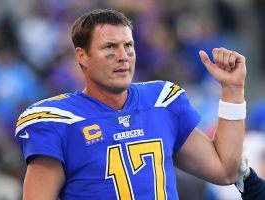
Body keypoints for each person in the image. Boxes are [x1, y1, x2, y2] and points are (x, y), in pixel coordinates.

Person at [15, 9, 247, 199]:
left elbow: (225, 170)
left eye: (128, 46)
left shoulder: (161, 101)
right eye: (109, 47)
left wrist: (232, 90)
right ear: (82, 56)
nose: (123, 56)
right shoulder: (58, 120)